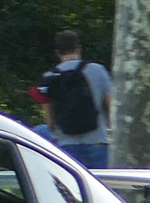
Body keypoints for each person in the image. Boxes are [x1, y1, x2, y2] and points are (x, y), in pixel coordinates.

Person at [38, 30, 114, 170]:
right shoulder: (98, 70)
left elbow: (50, 123)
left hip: (67, 145)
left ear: (57, 52)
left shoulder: (49, 77)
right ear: (79, 48)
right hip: (97, 142)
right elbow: (111, 107)